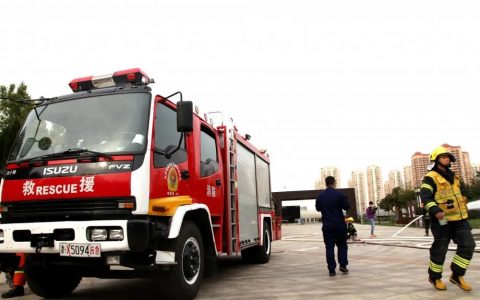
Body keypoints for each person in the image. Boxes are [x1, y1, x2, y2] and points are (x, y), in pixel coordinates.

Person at [420, 146, 476, 291]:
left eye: (448, 157)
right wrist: (435, 210)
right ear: (436, 159)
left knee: (468, 245)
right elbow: (425, 197)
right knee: (440, 249)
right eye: (443, 157)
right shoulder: (430, 177)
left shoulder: (454, 176)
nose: (446, 159)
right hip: (442, 220)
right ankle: (435, 277)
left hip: (460, 219)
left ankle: (457, 275)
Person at [315, 176, 350, 276]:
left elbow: (318, 208)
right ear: (334, 182)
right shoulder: (340, 195)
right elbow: (346, 207)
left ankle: (331, 270)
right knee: (342, 245)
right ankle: (343, 265)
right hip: (339, 225)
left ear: (326, 183)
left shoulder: (320, 196)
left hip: (327, 226)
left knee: (329, 247)